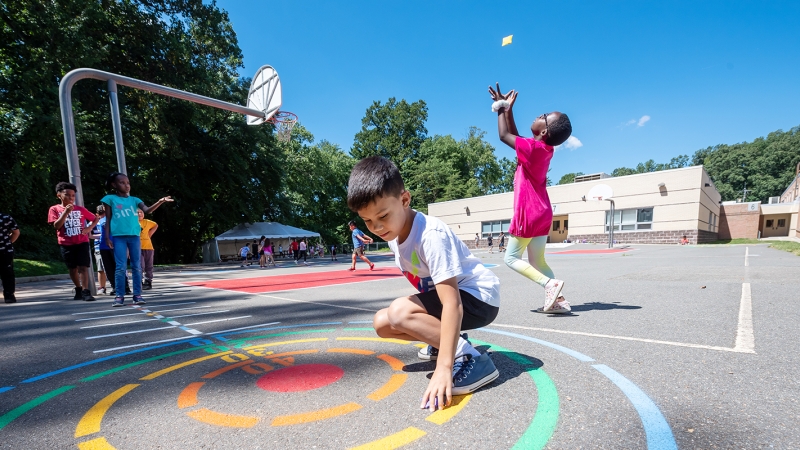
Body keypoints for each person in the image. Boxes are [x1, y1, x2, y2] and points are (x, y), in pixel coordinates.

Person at [348, 156, 500, 411]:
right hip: (459, 300)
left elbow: (452, 304)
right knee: (382, 323)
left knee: (399, 311)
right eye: (368, 221)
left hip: (479, 299)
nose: (376, 227)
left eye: (383, 215)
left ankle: (471, 357)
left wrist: (444, 367)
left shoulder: (430, 235)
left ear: (405, 200)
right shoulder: (394, 234)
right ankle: (448, 340)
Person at [489, 82, 573, 314]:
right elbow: (516, 138)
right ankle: (559, 299)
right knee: (538, 261)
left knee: (511, 258)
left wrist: (500, 107)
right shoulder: (542, 149)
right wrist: (508, 110)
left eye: (544, 116)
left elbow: (505, 135)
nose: (539, 115)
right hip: (543, 211)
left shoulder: (534, 149)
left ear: (544, 131)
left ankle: (550, 285)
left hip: (529, 211)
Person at [102, 172, 173, 307]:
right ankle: (119, 296)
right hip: (118, 237)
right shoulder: (109, 199)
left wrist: (160, 201)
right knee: (120, 267)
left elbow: (148, 210)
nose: (126, 185)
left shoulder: (134, 200)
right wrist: (107, 237)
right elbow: (108, 219)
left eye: (128, 183)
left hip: (134, 236)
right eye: (122, 183)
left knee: (137, 266)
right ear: (114, 184)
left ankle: (137, 295)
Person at [48, 182, 100, 301]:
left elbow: (95, 218)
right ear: (59, 195)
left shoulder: (80, 209)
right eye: (67, 195)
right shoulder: (54, 209)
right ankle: (78, 288)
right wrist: (66, 212)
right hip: (66, 243)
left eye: (73, 195)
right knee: (72, 268)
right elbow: (56, 226)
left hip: (82, 242)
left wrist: (89, 228)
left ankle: (86, 291)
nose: (71, 198)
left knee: (83, 267)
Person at [1, 212, 20, 303]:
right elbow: (16, 232)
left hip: (5, 250)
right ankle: (9, 296)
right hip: (5, 249)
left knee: (7, 273)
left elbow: (16, 232)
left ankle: (9, 295)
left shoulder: (6, 217)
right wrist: (8, 243)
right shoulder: (5, 217)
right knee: (7, 273)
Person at [137, 210, 158, 290]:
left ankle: (148, 282)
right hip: (138, 247)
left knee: (149, 266)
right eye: (137, 212)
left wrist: (150, 234)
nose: (140, 214)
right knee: (140, 266)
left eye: (141, 212)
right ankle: (139, 282)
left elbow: (155, 225)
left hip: (148, 247)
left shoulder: (147, 222)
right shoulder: (132, 222)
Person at [90, 205, 108, 294]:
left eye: (104, 214)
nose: (102, 216)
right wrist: (102, 236)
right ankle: (102, 287)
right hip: (99, 247)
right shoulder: (93, 223)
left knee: (116, 267)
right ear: (96, 214)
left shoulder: (111, 220)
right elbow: (89, 234)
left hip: (111, 246)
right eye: (100, 214)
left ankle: (118, 286)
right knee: (101, 268)